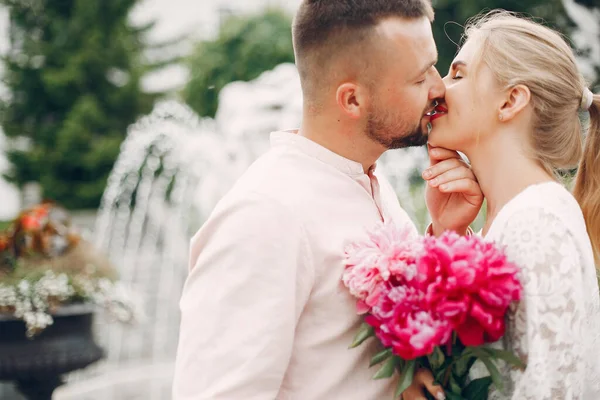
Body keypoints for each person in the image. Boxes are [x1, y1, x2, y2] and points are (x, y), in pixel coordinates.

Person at [172, 1, 483, 399]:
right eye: (419, 78)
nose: (439, 87)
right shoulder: (264, 215)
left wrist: (445, 232)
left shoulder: (368, 177)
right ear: (352, 100)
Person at [423, 10, 600, 399]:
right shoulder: (517, 216)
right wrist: (447, 235)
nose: (437, 87)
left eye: (458, 74)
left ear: (510, 101)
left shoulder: (537, 224)